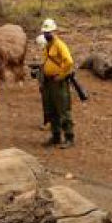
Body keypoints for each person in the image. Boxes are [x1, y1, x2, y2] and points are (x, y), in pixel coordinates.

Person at [39, 18, 75, 148]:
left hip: (58, 82)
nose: (46, 34)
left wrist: (61, 75)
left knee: (63, 110)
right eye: (45, 32)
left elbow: (69, 62)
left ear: (54, 31)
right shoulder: (47, 45)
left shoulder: (60, 45)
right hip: (48, 82)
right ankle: (56, 136)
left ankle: (69, 137)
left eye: (48, 32)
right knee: (51, 109)